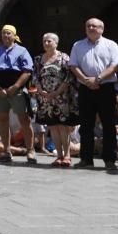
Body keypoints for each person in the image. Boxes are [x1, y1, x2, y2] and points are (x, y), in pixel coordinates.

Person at [68, 18, 118, 171]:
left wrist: (98, 78)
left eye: (94, 26)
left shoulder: (111, 45)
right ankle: (86, 159)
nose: (91, 28)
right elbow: (73, 65)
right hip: (85, 88)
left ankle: (110, 159)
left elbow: (116, 65)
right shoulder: (77, 45)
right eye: (88, 26)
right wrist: (86, 79)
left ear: (102, 28)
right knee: (86, 125)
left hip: (106, 87)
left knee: (108, 124)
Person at [0, 25, 35, 164]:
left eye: (8, 33)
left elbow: (27, 71)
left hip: (16, 88)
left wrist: (15, 86)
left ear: (14, 35)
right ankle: (6, 151)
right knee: (2, 119)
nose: (5, 36)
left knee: (24, 119)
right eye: (3, 33)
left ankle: (30, 150)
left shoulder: (22, 50)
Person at [33, 33, 77, 167]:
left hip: (61, 98)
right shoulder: (38, 59)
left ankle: (67, 155)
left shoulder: (64, 58)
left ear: (56, 43)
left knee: (63, 127)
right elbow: (35, 76)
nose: (46, 43)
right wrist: (41, 90)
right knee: (52, 127)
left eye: (49, 41)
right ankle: (59, 155)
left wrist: (57, 92)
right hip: (46, 99)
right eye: (44, 41)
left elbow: (69, 77)